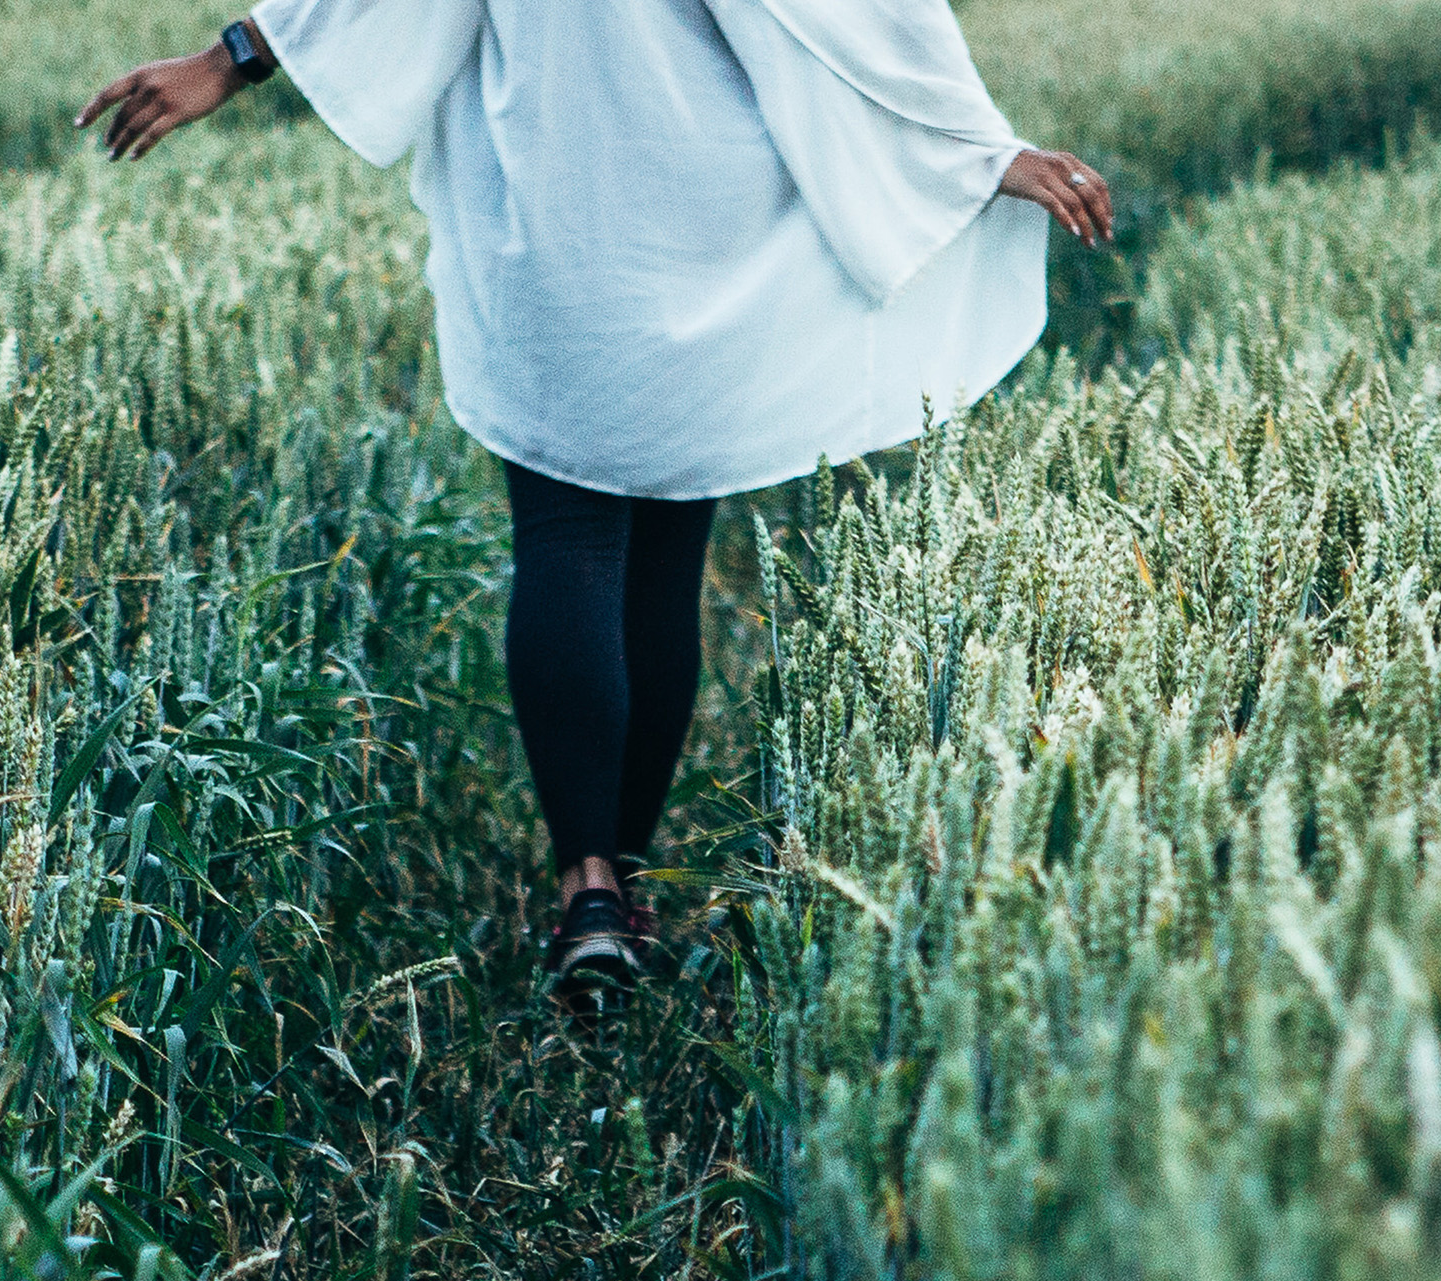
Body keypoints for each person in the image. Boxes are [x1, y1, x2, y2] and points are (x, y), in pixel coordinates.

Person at [82, 1, 1112, 1004]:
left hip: (552, 199)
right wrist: (980, 154)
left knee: (567, 536)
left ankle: (589, 893)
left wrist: (229, 58)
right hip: (709, 215)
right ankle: (623, 880)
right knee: (665, 557)